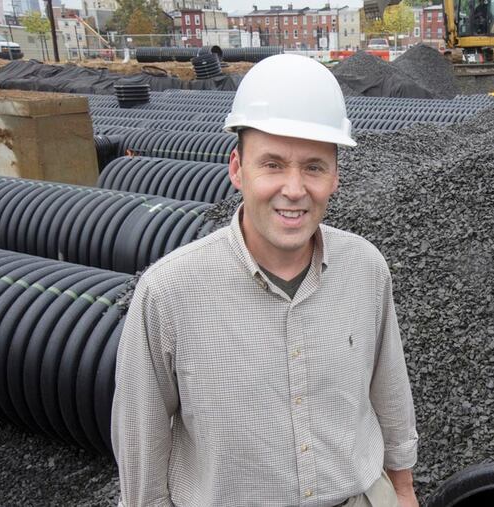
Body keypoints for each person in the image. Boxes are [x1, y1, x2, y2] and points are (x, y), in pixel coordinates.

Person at [111, 54, 420, 507]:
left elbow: (390, 389)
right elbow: (142, 440)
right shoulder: (169, 293)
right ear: (237, 168)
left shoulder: (365, 268)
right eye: (272, 164)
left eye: (314, 167)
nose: (294, 189)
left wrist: (404, 490)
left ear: (335, 176)